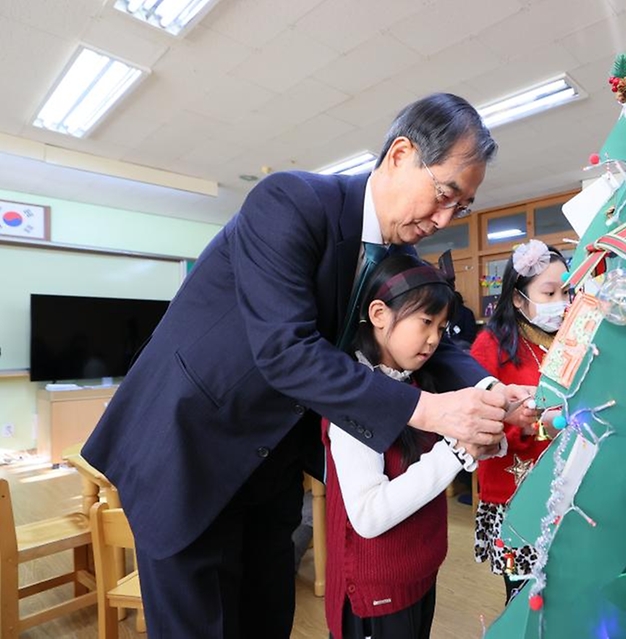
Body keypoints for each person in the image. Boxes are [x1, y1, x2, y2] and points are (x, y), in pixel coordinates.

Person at [81, 93, 536, 639]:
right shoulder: (291, 202)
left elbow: (440, 346)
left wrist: (494, 393)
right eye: (444, 194)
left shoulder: (399, 261)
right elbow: (285, 350)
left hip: (267, 467)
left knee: (265, 620)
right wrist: (433, 412)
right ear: (399, 155)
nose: (444, 219)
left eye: (460, 209)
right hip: (188, 452)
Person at [325, 253, 489, 639]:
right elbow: (368, 515)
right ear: (379, 313)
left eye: (442, 326)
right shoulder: (355, 399)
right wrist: (455, 451)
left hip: (418, 575)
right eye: (426, 322)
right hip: (375, 594)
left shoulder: (415, 379)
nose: (434, 339)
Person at [470, 239, 569, 604]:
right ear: (517, 298)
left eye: (566, 290)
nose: (562, 301)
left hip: (570, 486)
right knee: (526, 597)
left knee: (568, 587)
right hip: (517, 492)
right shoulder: (490, 345)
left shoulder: (571, 341)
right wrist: (521, 422)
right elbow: (478, 419)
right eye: (549, 292)